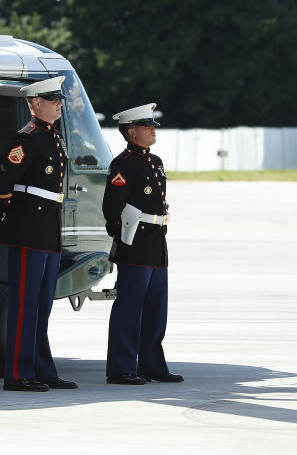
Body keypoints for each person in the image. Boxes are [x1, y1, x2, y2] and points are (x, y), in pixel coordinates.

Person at [0, 76, 77, 392]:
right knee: (26, 304)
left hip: (48, 229)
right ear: (35, 103)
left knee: (42, 305)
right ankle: (18, 373)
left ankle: (42, 369)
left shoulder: (54, 137)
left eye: (59, 100)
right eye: (52, 100)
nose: (59, 104)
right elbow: (2, 185)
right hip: (29, 229)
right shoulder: (26, 138)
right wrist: (20, 214)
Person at [102, 103, 182, 385]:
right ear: (131, 131)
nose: (152, 130)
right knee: (130, 307)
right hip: (135, 243)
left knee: (156, 308)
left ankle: (151, 364)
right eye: (147, 126)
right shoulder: (124, 164)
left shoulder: (155, 161)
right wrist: (124, 237)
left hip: (156, 243)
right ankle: (121, 368)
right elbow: (112, 208)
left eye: (152, 126)